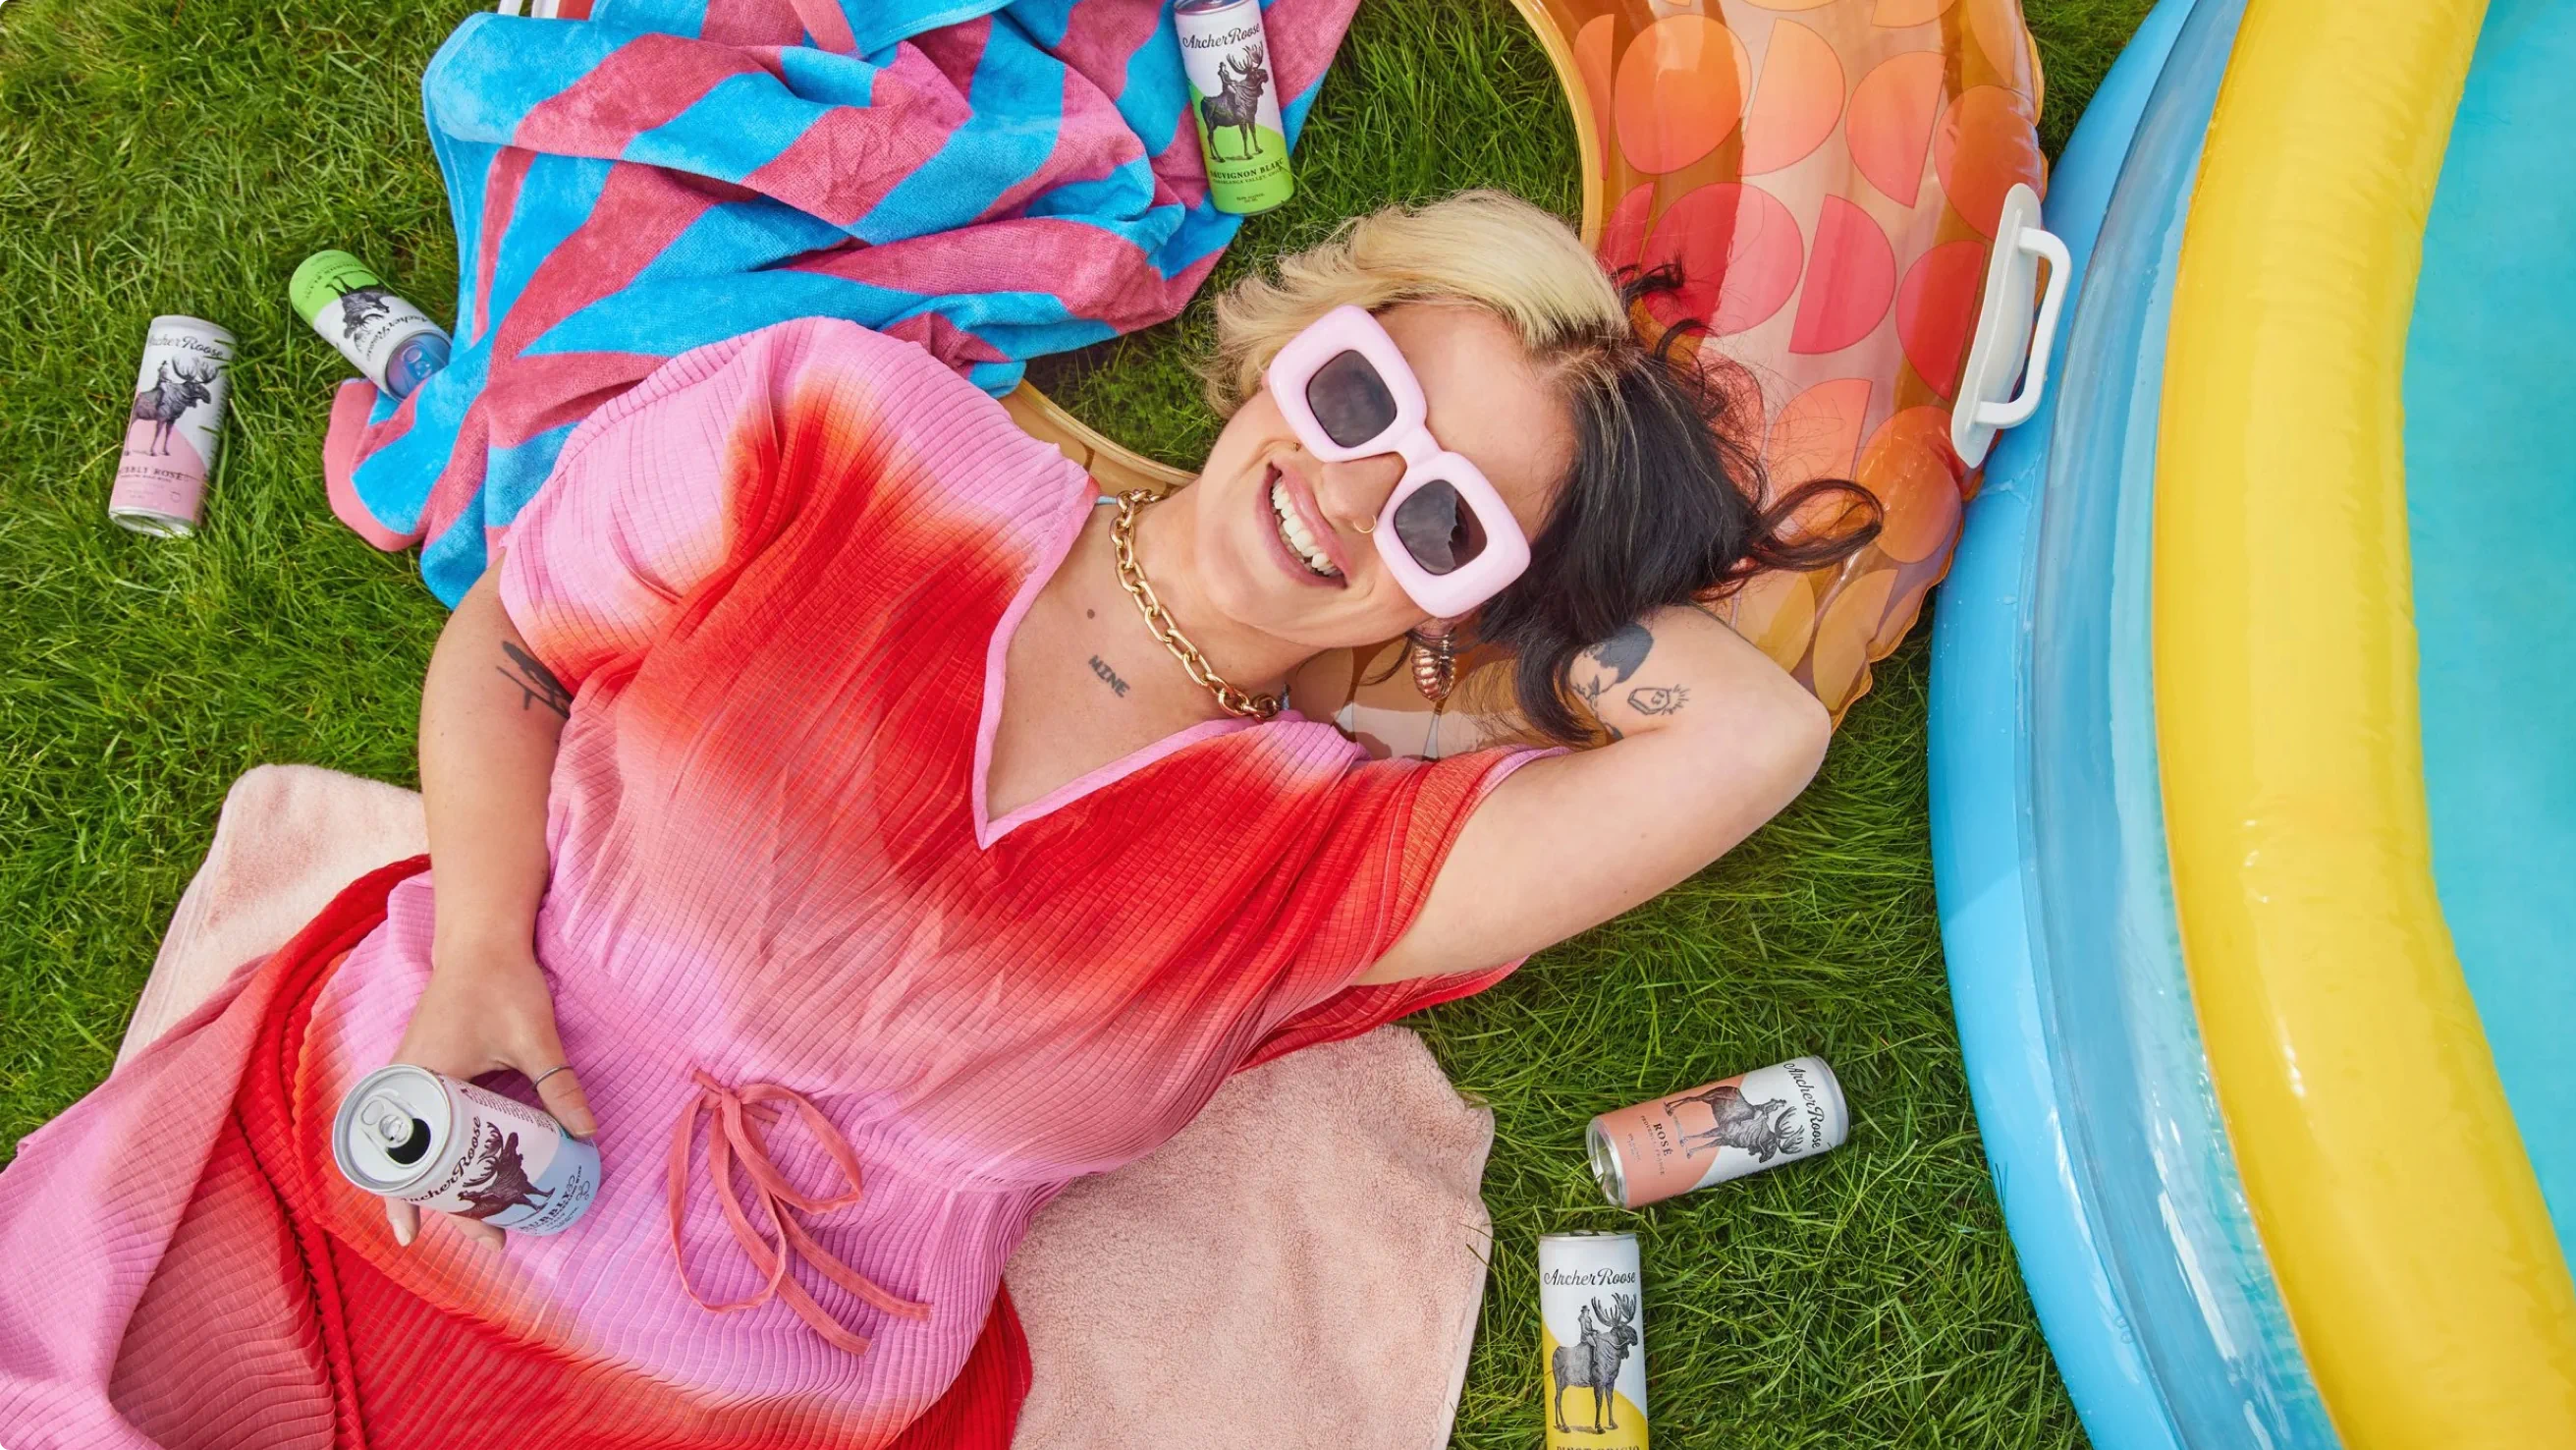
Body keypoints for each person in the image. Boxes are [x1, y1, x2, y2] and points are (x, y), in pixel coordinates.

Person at [0, 191, 1874, 1449]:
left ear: (1461, 604)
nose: (1348, 480)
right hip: (387, 1155)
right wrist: (483, 952)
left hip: (725, 1396)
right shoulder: (848, 432)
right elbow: (517, 646)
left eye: (1441, 514)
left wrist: (1518, 614)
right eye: (1358, 391)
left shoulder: (1332, 863)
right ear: (1297, 336)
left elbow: (1752, 736)